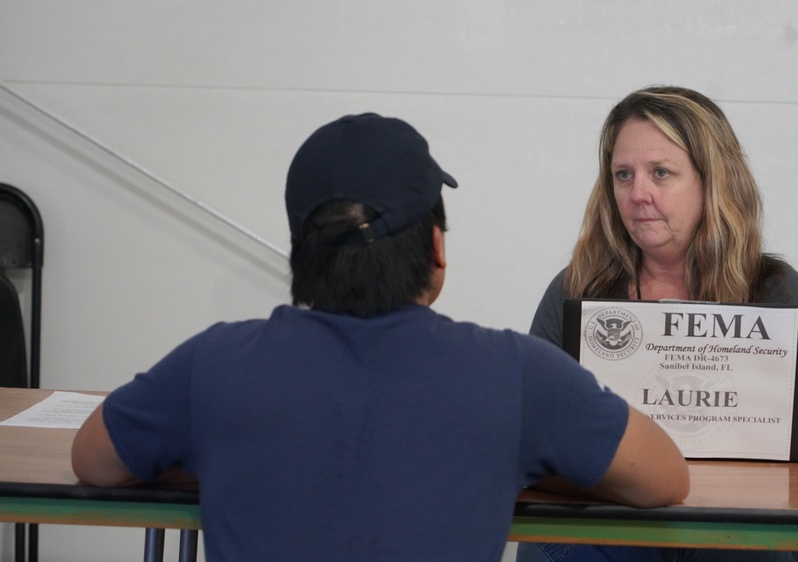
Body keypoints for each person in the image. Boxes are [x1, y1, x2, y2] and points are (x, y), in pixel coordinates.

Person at [70, 113, 690, 561]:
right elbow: (665, 479)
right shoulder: (517, 374)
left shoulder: (211, 365)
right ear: (436, 250)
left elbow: (92, 461)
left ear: (299, 252)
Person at [517, 86, 798, 562]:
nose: (638, 194)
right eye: (623, 175)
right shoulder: (577, 286)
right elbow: (533, 422)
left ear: (712, 182)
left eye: (661, 173)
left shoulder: (774, 288)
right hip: (609, 514)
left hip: (736, 516)